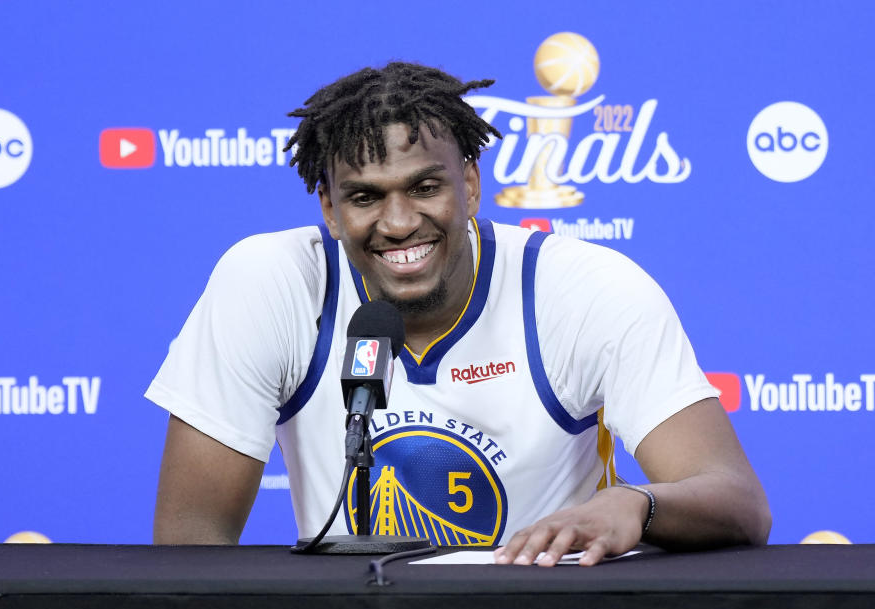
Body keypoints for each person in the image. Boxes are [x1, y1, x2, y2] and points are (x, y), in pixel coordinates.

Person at [146, 62, 771, 566]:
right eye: (365, 197)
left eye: (424, 187)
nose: (397, 223)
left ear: (470, 185)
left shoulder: (586, 290)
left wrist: (638, 503)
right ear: (331, 211)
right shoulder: (270, 282)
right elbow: (190, 546)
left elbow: (738, 501)